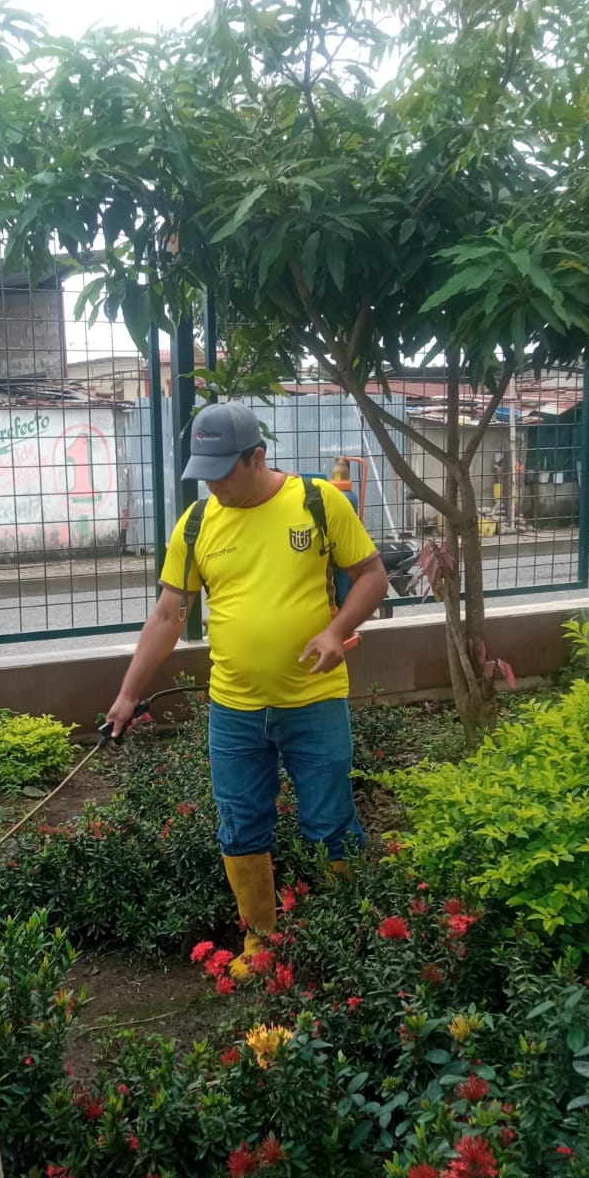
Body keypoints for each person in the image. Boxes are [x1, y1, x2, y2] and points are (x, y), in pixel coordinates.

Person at [105, 402, 389, 964]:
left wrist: (336, 631)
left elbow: (372, 576)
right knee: (240, 826)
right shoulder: (196, 524)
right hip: (234, 711)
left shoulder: (317, 502)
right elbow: (167, 616)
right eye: (203, 472)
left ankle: (350, 940)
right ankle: (261, 942)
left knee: (331, 821)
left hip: (314, 701)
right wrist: (127, 694)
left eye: (221, 471)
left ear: (257, 457)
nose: (212, 484)